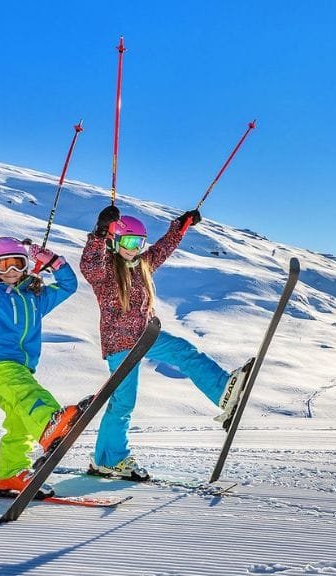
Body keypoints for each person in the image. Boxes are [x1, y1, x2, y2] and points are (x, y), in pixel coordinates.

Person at [80, 205, 252, 481]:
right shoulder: (106, 271)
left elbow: (163, 248)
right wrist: (100, 232)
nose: (133, 248)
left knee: (185, 352)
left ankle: (223, 392)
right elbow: (89, 266)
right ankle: (109, 460)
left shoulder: (143, 265)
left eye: (138, 242)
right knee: (123, 403)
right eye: (128, 242)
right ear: (115, 241)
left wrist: (181, 226)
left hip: (147, 336)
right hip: (120, 342)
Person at [0, 236, 83, 496]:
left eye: (17, 264)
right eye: (3, 265)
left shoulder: (36, 297)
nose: (11, 271)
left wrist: (54, 262)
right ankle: (49, 423)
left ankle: (9, 474)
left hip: (21, 363)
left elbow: (68, 286)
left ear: (26, 266)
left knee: (18, 420)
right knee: (27, 393)